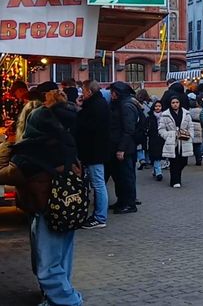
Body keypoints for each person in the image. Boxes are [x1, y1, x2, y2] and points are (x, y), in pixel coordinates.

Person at [10, 90, 84, 306]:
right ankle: (57, 298)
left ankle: (69, 300)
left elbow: (13, 171)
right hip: (68, 206)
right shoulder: (67, 138)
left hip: (47, 207)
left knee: (47, 264)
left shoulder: (35, 149)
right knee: (62, 257)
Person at [76, 80, 111, 229]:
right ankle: (99, 215)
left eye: (83, 91)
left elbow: (87, 127)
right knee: (98, 184)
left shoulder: (95, 106)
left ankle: (100, 217)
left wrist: (80, 111)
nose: (82, 94)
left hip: (94, 152)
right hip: (94, 151)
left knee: (98, 184)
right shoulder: (97, 104)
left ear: (90, 91)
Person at [108, 82, 139, 214]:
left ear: (117, 93)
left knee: (126, 176)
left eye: (112, 92)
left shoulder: (126, 106)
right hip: (119, 145)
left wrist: (121, 149)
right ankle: (121, 200)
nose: (111, 94)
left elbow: (128, 129)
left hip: (125, 148)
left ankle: (130, 203)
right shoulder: (120, 104)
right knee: (119, 176)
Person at [159, 96, 194, 188]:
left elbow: (191, 126)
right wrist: (169, 135)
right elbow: (161, 129)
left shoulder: (186, 113)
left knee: (183, 161)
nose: (175, 104)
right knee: (174, 162)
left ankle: (177, 177)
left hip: (184, 140)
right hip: (172, 141)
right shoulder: (165, 114)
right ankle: (175, 181)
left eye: (177, 102)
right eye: (173, 102)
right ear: (170, 104)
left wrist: (190, 135)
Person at [147, 101, 165, 181]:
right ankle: (158, 172)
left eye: (159, 106)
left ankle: (155, 170)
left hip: (161, 138)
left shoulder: (165, 116)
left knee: (159, 155)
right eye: (156, 106)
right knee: (156, 155)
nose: (158, 108)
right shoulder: (150, 117)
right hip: (152, 138)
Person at [135, 89, 152, 169]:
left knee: (139, 144)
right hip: (149, 126)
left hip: (140, 126)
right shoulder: (150, 103)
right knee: (147, 145)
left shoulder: (137, 104)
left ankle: (142, 159)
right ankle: (148, 161)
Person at [188, 93, 203, 166]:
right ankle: (199, 160)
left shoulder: (189, 111)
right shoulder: (201, 110)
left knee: (188, 144)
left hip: (190, 126)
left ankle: (185, 160)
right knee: (197, 145)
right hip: (198, 126)